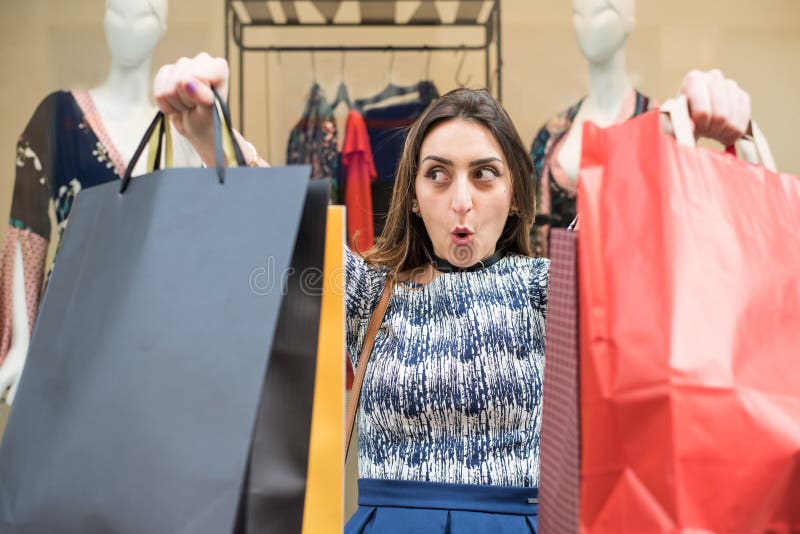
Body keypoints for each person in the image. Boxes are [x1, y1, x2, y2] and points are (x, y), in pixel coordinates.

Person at [152, 53, 751, 531]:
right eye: (437, 174)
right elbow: (273, 218)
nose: (461, 200)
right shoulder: (368, 289)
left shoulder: (552, 288)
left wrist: (684, 122)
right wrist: (211, 137)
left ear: (516, 193)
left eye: (484, 174)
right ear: (412, 195)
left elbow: (632, 205)